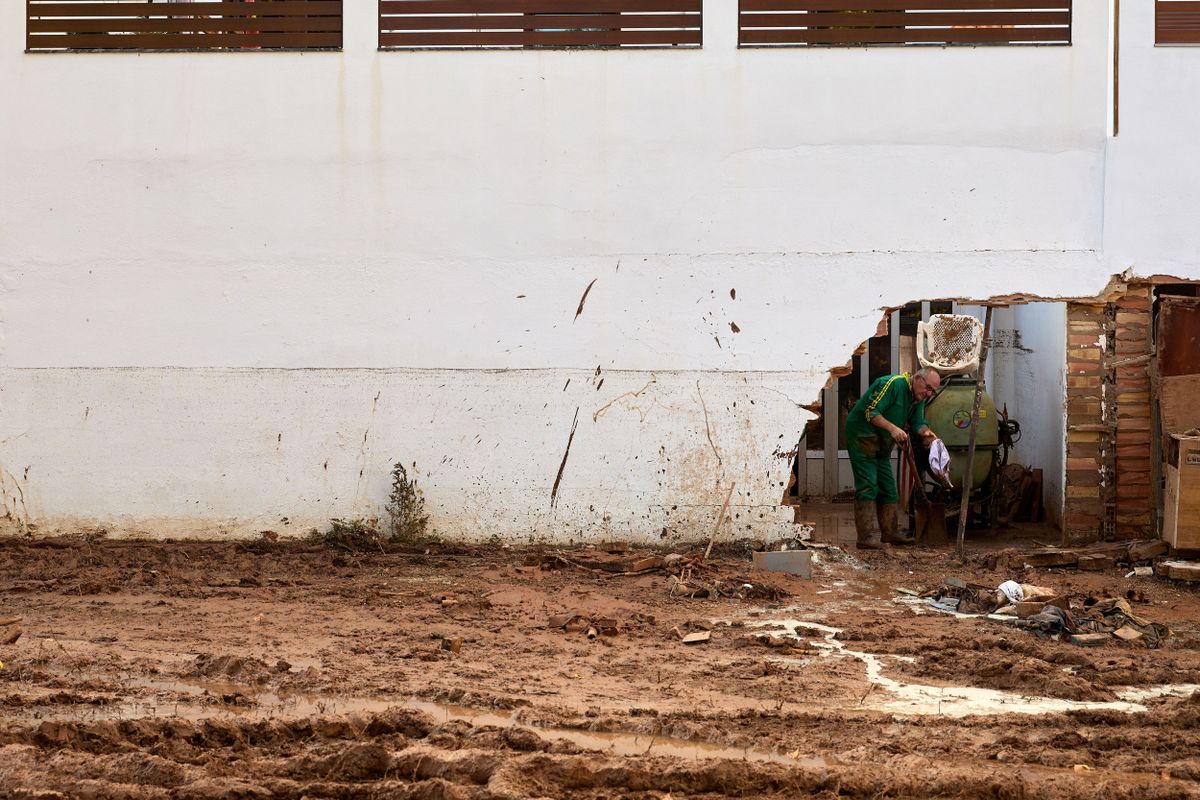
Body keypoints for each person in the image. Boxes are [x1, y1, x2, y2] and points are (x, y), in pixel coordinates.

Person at [844, 367, 942, 549]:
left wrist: (926, 432)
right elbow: (871, 412)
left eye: (932, 391)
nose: (928, 393)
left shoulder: (917, 397)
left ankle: (890, 533)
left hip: (882, 441)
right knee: (868, 484)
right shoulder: (892, 384)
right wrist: (893, 428)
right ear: (917, 378)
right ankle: (865, 537)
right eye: (927, 388)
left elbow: (917, 423)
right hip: (862, 435)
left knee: (888, 487)